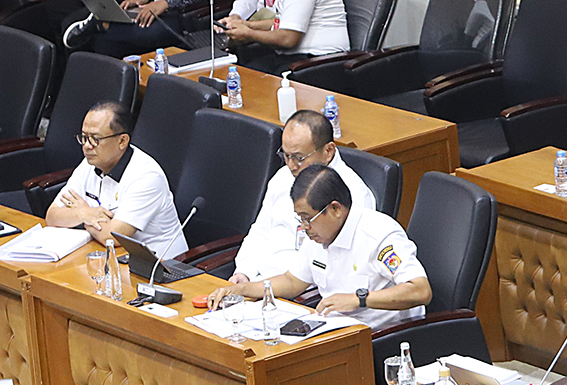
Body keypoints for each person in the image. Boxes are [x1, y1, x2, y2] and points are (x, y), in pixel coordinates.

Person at [207, 165, 431, 329]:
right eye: (300, 219)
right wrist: (241, 289)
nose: (304, 227)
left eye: (307, 218)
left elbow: (420, 290)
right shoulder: (319, 235)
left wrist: (360, 299)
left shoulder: (378, 235)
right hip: (333, 331)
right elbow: (292, 281)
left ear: (335, 209)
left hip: (384, 337)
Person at [231, 109, 376, 284]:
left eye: (299, 157)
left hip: (303, 292)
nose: (291, 165)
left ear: (328, 151)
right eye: (286, 155)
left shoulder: (353, 193)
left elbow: (346, 266)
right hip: (259, 282)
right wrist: (244, 272)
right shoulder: (282, 177)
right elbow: (260, 231)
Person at [46, 101, 187, 258]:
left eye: (95, 139)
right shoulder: (90, 162)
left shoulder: (147, 176)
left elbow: (112, 237)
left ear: (122, 141)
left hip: (160, 267)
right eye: (84, 137)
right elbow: (52, 216)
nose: (87, 146)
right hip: (113, 257)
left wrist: (81, 215)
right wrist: (84, 213)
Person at [218, 0, 349, 75]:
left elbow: (289, 38)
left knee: (249, 82)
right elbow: (282, 21)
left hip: (320, 59)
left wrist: (249, 34)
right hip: (295, 57)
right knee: (242, 73)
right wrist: (246, 25)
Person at [62, 0, 198, 57]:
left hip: (181, 12)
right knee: (69, 21)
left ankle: (99, 25)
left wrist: (167, 2)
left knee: (146, 33)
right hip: (149, 5)